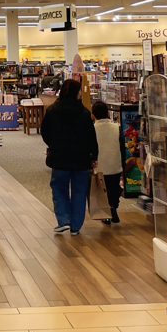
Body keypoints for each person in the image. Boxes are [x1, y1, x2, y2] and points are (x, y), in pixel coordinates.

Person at [40, 79, 98, 236]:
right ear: (76, 93)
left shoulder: (52, 110)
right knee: (79, 191)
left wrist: (54, 144)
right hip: (81, 158)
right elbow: (91, 137)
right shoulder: (84, 113)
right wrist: (94, 156)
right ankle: (75, 226)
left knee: (59, 189)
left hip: (59, 157)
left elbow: (44, 132)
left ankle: (64, 220)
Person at [91, 101, 124, 224]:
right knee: (114, 188)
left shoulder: (92, 129)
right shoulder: (117, 128)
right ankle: (113, 206)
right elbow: (122, 147)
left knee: (101, 191)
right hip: (114, 164)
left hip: (99, 166)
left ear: (93, 115)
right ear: (108, 113)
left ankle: (106, 213)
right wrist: (123, 163)